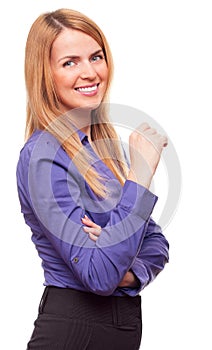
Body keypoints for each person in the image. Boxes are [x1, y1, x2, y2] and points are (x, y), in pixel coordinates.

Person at [16, 8, 169, 350]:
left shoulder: (101, 153)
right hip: (74, 331)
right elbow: (99, 275)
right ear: (45, 74)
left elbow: (157, 245)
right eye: (70, 62)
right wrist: (140, 176)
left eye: (95, 57)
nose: (89, 72)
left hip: (113, 329)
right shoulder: (44, 154)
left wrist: (127, 269)